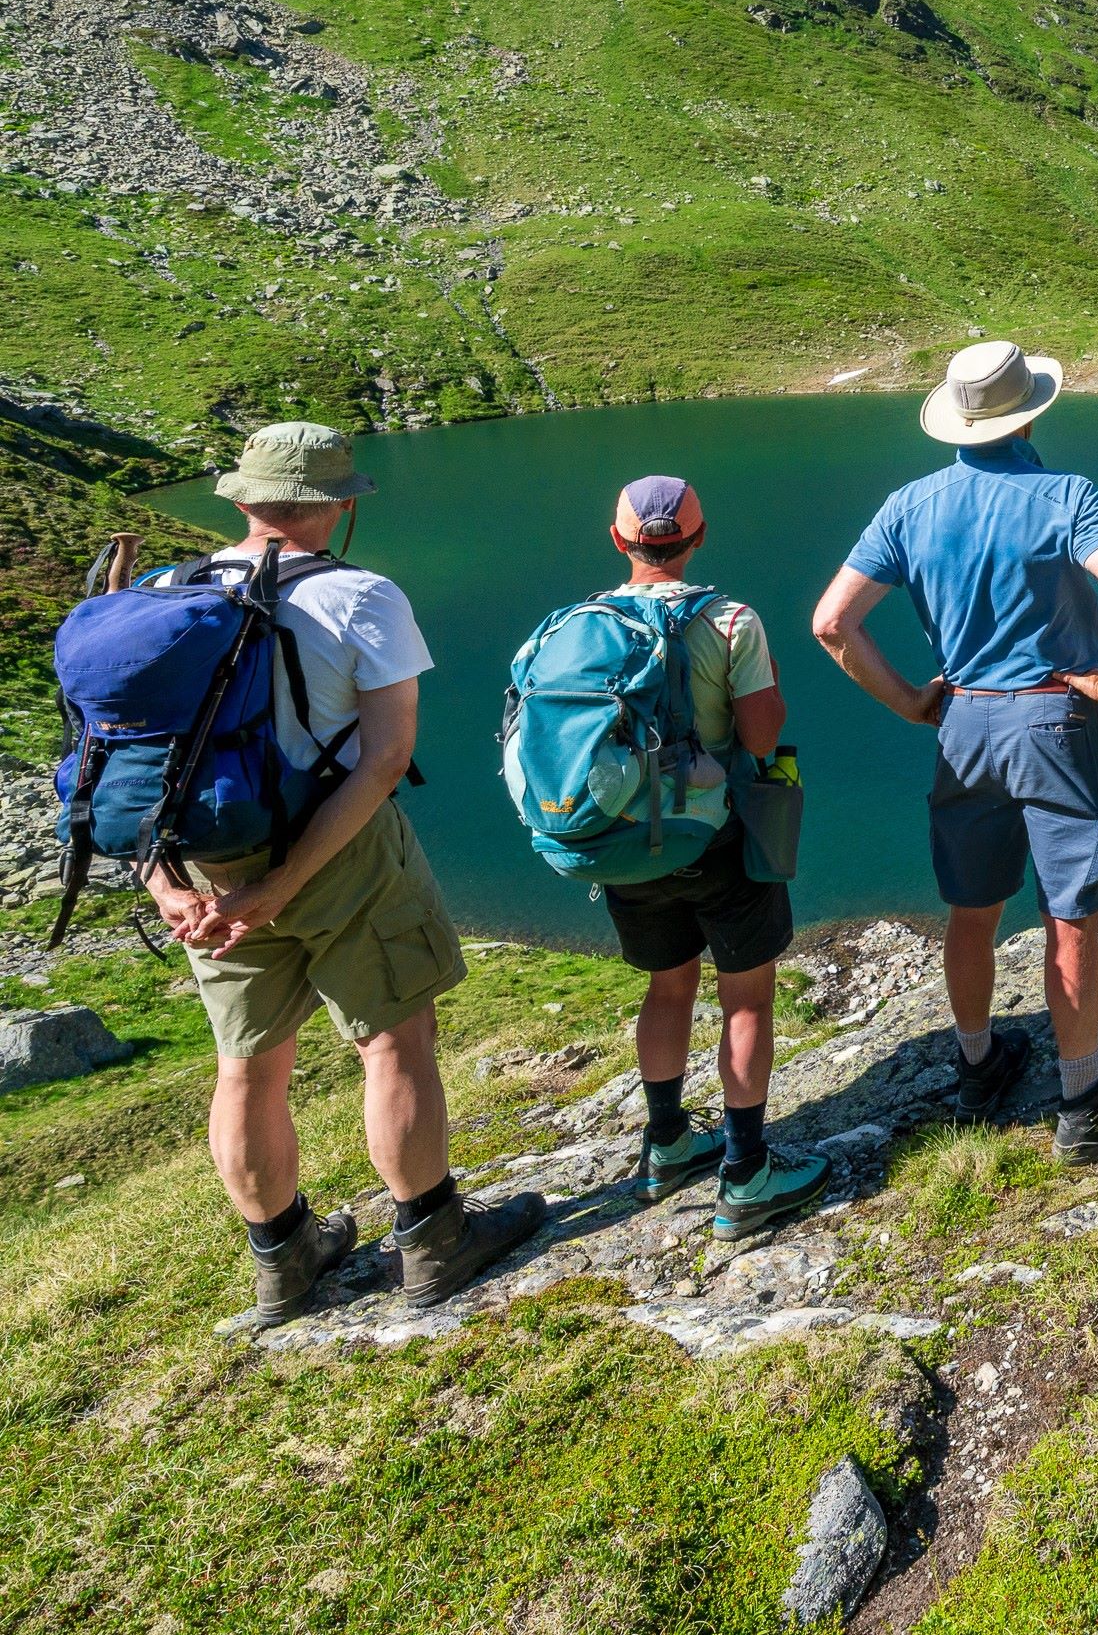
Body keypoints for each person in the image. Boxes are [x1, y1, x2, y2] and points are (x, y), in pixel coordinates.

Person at [153, 423, 546, 1323]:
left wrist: (168, 885)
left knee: (246, 1065)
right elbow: (385, 757)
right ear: (338, 505)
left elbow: (125, 764)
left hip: (207, 867)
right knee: (394, 1040)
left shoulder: (170, 592)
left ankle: (283, 1260)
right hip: (338, 850)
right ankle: (434, 1239)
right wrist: (287, 883)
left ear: (243, 499)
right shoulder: (360, 595)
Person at [812, 341, 1098, 1161]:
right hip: (1054, 722)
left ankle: (977, 1068)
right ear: (1030, 413)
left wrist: (909, 700)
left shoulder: (909, 505)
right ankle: (1082, 1104)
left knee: (971, 909)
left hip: (962, 723)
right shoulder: (1067, 494)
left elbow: (831, 622)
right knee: (1069, 913)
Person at [590, 476, 830, 1238]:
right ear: (698, 538)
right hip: (718, 840)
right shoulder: (730, 621)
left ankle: (665, 1144)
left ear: (619, 539)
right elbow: (760, 737)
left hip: (629, 844)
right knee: (746, 1000)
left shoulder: (588, 625)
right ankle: (746, 1170)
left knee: (667, 987)